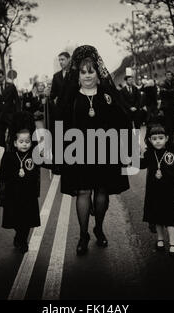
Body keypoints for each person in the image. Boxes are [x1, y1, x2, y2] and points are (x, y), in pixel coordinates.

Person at [59, 45, 131, 256]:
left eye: (91, 71)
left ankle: (98, 227)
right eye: (83, 71)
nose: (88, 75)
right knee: (82, 192)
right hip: (77, 151)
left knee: (101, 192)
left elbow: (122, 121)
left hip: (104, 151)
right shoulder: (71, 99)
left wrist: (126, 148)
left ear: (97, 73)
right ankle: (83, 235)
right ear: (77, 75)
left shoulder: (107, 96)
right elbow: (60, 125)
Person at [0, 111, 47, 254]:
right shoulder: (9, 155)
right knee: (15, 218)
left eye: (27, 141)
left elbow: (43, 163)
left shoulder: (34, 152)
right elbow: (5, 173)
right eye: (21, 142)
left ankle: (23, 239)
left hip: (28, 193)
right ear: (16, 142)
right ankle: (19, 234)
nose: (24, 144)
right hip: (13, 193)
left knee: (27, 219)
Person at [139, 123, 174, 256]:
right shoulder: (150, 153)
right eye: (154, 138)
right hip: (154, 191)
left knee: (170, 218)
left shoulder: (173, 153)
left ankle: (173, 244)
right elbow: (141, 164)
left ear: (166, 138)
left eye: (160, 138)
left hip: (169, 192)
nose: (158, 141)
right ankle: (160, 240)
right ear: (149, 140)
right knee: (157, 217)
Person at [49, 52, 71, 175]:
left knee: (71, 138)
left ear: (69, 59)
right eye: (59, 60)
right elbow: (53, 94)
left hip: (71, 112)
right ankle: (58, 165)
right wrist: (49, 96)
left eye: (63, 59)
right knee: (58, 139)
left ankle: (71, 163)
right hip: (59, 113)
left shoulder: (75, 74)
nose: (61, 62)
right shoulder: (56, 76)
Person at [0, 68, 21, 147]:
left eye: (0, 77)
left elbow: (17, 101)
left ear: (3, 76)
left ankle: (11, 152)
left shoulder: (11, 86)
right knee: (1, 139)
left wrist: (18, 115)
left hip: (10, 116)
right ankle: (4, 157)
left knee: (12, 137)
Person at [159, 71, 174, 136]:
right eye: (167, 75)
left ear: (172, 76)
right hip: (166, 106)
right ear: (165, 76)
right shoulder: (163, 84)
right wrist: (172, 91)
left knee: (173, 122)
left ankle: (172, 136)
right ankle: (168, 136)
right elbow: (163, 94)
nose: (169, 76)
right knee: (167, 122)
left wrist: (169, 91)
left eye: (170, 75)